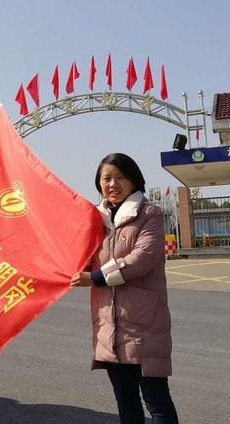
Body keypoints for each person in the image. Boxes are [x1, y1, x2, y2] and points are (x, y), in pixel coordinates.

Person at [70, 153, 179, 424]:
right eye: (106, 178)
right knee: (126, 402)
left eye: (120, 177)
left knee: (157, 402)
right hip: (109, 327)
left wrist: (96, 277)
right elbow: (77, 256)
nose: (113, 184)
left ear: (134, 181)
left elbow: (143, 258)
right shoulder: (95, 221)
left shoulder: (149, 214)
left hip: (144, 326)